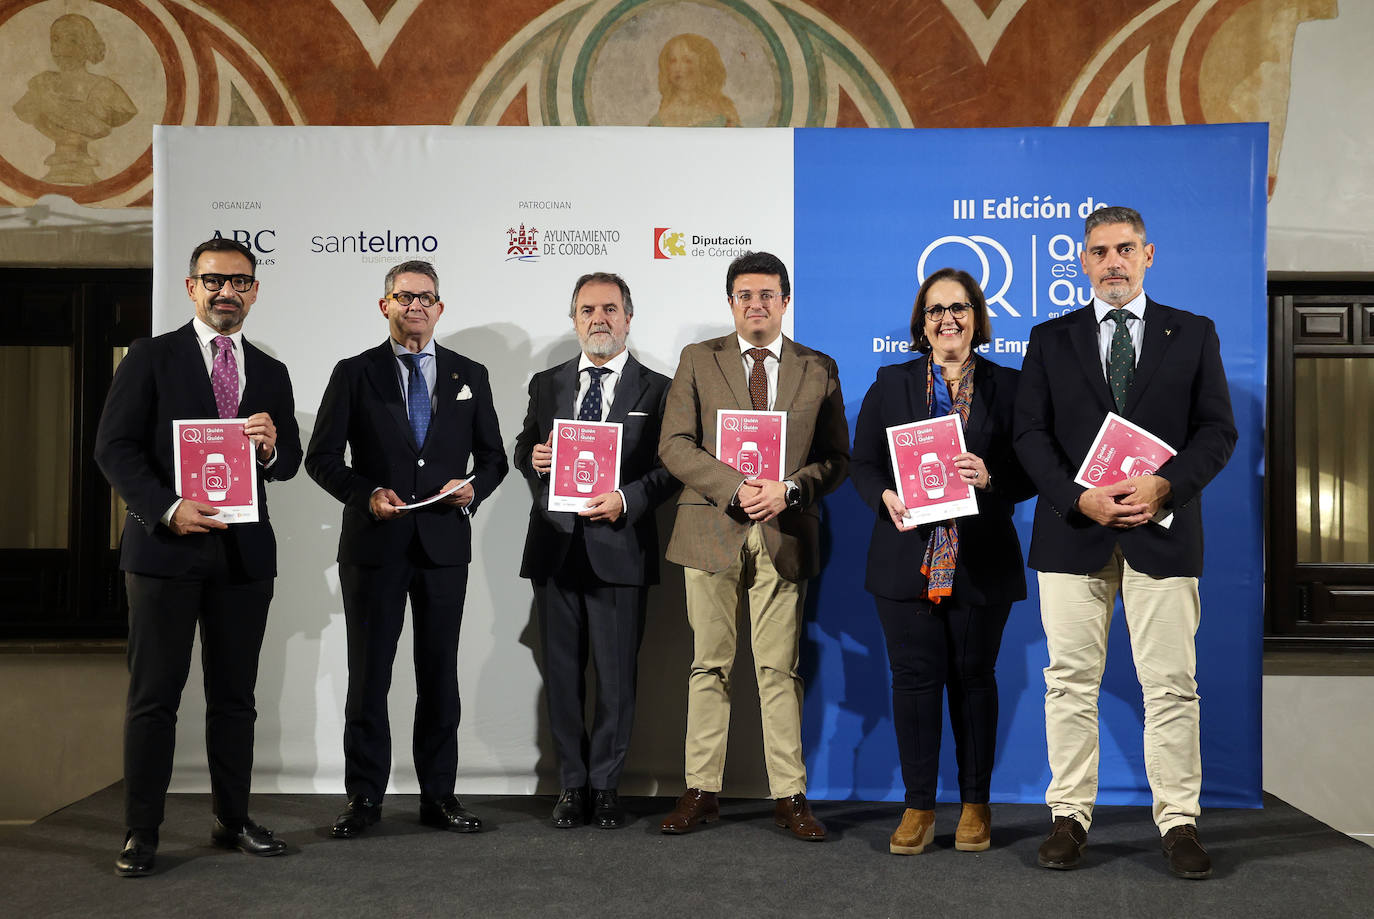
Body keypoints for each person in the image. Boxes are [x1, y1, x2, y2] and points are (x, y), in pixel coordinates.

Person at [1014, 206, 1237, 879]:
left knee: (1170, 684)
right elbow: (1030, 435)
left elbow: (1217, 432)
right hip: (1072, 533)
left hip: (1162, 536)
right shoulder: (1049, 338)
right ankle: (1068, 818)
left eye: (1126, 249)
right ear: (1082, 260)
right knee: (1070, 683)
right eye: (1099, 250)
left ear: (1149, 254)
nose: (1112, 261)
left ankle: (1178, 822)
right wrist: (1074, 496)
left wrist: (1166, 486)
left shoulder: (1193, 334)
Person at [95, 237, 301, 877]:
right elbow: (114, 448)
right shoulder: (150, 357)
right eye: (214, 281)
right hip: (164, 551)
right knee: (154, 697)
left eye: (239, 282)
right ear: (191, 288)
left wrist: (269, 448)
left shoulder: (270, 371)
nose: (226, 292)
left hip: (243, 558)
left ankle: (232, 820)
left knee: (235, 698)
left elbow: (290, 463)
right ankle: (141, 832)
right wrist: (164, 507)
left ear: (254, 291)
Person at [305, 259, 508, 838]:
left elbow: (493, 460)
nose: (415, 306)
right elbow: (321, 459)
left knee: (439, 674)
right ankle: (364, 799)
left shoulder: (471, 374)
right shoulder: (353, 373)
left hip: (444, 547)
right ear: (384, 306)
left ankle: (439, 797)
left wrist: (472, 490)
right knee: (369, 675)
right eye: (403, 296)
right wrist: (365, 492)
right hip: (374, 546)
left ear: (440, 308)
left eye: (425, 297)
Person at [656, 251, 849, 840]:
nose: (756, 304)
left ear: (785, 302)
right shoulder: (697, 359)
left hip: (783, 531)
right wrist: (736, 488)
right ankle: (701, 790)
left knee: (779, 669)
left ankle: (789, 796)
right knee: (708, 665)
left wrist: (789, 490)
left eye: (767, 294)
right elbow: (675, 445)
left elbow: (837, 459)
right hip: (711, 526)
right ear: (731, 302)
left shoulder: (818, 366)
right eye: (745, 294)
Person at [850, 268, 1034, 855]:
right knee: (914, 682)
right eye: (935, 310)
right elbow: (863, 463)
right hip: (907, 556)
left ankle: (975, 805)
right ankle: (919, 806)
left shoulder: (1010, 386)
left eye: (959, 308)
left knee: (975, 680)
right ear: (920, 322)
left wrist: (995, 476)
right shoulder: (893, 382)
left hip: (980, 558)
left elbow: (1035, 470)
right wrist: (884, 496)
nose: (947, 319)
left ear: (977, 319)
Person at [514, 272, 677, 829]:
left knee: (615, 679)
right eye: (587, 310)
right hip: (555, 549)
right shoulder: (547, 382)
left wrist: (627, 500)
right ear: (574, 318)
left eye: (610, 308)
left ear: (628, 318)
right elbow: (524, 446)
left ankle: (606, 786)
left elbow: (670, 469)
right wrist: (535, 458)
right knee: (562, 677)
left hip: (619, 548)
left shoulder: (658, 389)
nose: (598, 318)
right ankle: (573, 785)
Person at [648, 33, 741, 127]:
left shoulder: (723, 113)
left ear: (704, 67)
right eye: (673, 60)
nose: (678, 67)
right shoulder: (660, 118)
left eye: (687, 61)